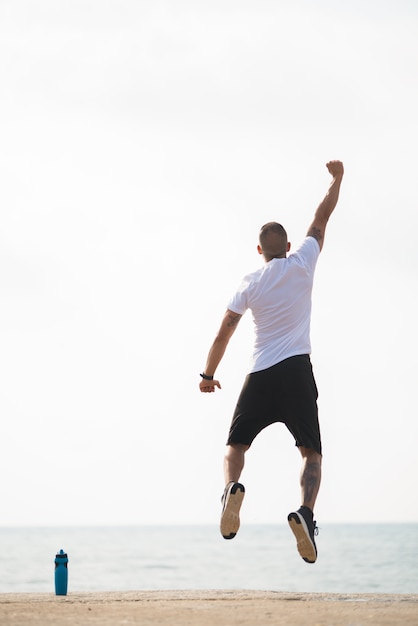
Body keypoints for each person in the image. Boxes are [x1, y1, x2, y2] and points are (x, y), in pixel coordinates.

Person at [199, 160, 344, 564]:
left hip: (259, 373)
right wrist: (336, 180)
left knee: (235, 445)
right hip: (297, 370)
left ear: (260, 251)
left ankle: (232, 489)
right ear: (288, 245)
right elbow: (320, 217)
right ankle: (305, 513)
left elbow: (224, 329)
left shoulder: (250, 282)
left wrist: (208, 375)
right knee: (311, 453)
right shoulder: (303, 262)